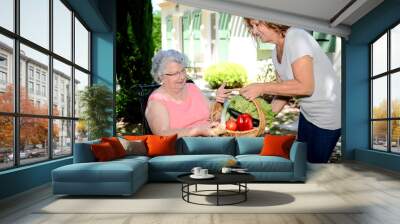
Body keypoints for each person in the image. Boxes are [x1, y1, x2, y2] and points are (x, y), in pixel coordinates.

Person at [240, 19, 341, 163]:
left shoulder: (296, 37)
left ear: (271, 20)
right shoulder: (275, 53)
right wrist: (261, 121)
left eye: (257, 24)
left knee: (313, 168)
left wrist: (262, 87)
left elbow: (305, 87)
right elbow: (283, 93)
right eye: (252, 26)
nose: (254, 31)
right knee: (301, 163)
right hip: (308, 114)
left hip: (327, 117)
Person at [145, 49, 230, 137]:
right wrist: (197, 131)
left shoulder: (191, 88)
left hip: (212, 139)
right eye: (175, 73)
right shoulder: (157, 100)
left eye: (183, 71)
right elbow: (162, 134)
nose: (182, 77)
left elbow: (212, 112)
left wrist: (219, 101)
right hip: (183, 147)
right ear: (161, 77)